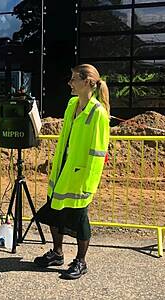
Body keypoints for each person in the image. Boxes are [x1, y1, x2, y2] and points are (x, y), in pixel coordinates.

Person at [34, 64, 110, 279]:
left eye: (74, 79)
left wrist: (88, 182)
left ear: (87, 82)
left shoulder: (98, 113)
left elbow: (98, 152)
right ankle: (57, 253)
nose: (70, 82)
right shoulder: (72, 104)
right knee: (55, 210)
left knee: (79, 218)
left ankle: (81, 261)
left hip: (81, 175)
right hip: (63, 169)